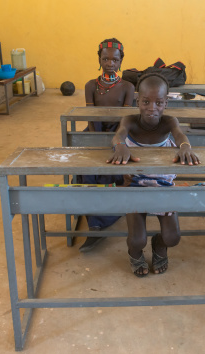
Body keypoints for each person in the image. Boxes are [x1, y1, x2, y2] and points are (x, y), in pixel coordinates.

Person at [107, 73, 200, 277]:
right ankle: (135, 251)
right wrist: (120, 146)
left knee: (172, 238)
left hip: (163, 187)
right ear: (137, 101)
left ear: (166, 103)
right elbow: (119, 135)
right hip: (135, 188)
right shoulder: (130, 121)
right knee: (137, 239)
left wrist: (185, 147)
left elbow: (180, 135)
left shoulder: (169, 122)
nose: (152, 108)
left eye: (159, 102)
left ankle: (159, 244)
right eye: (146, 102)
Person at [77, 38, 135, 252]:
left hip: (119, 135)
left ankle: (98, 222)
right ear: (99, 60)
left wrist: (116, 141)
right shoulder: (91, 85)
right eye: (105, 59)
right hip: (95, 131)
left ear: (121, 61)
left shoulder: (128, 86)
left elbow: (126, 120)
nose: (110, 63)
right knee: (88, 173)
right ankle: (96, 221)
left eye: (115, 59)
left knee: (117, 172)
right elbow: (92, 117)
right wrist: (96, 141)